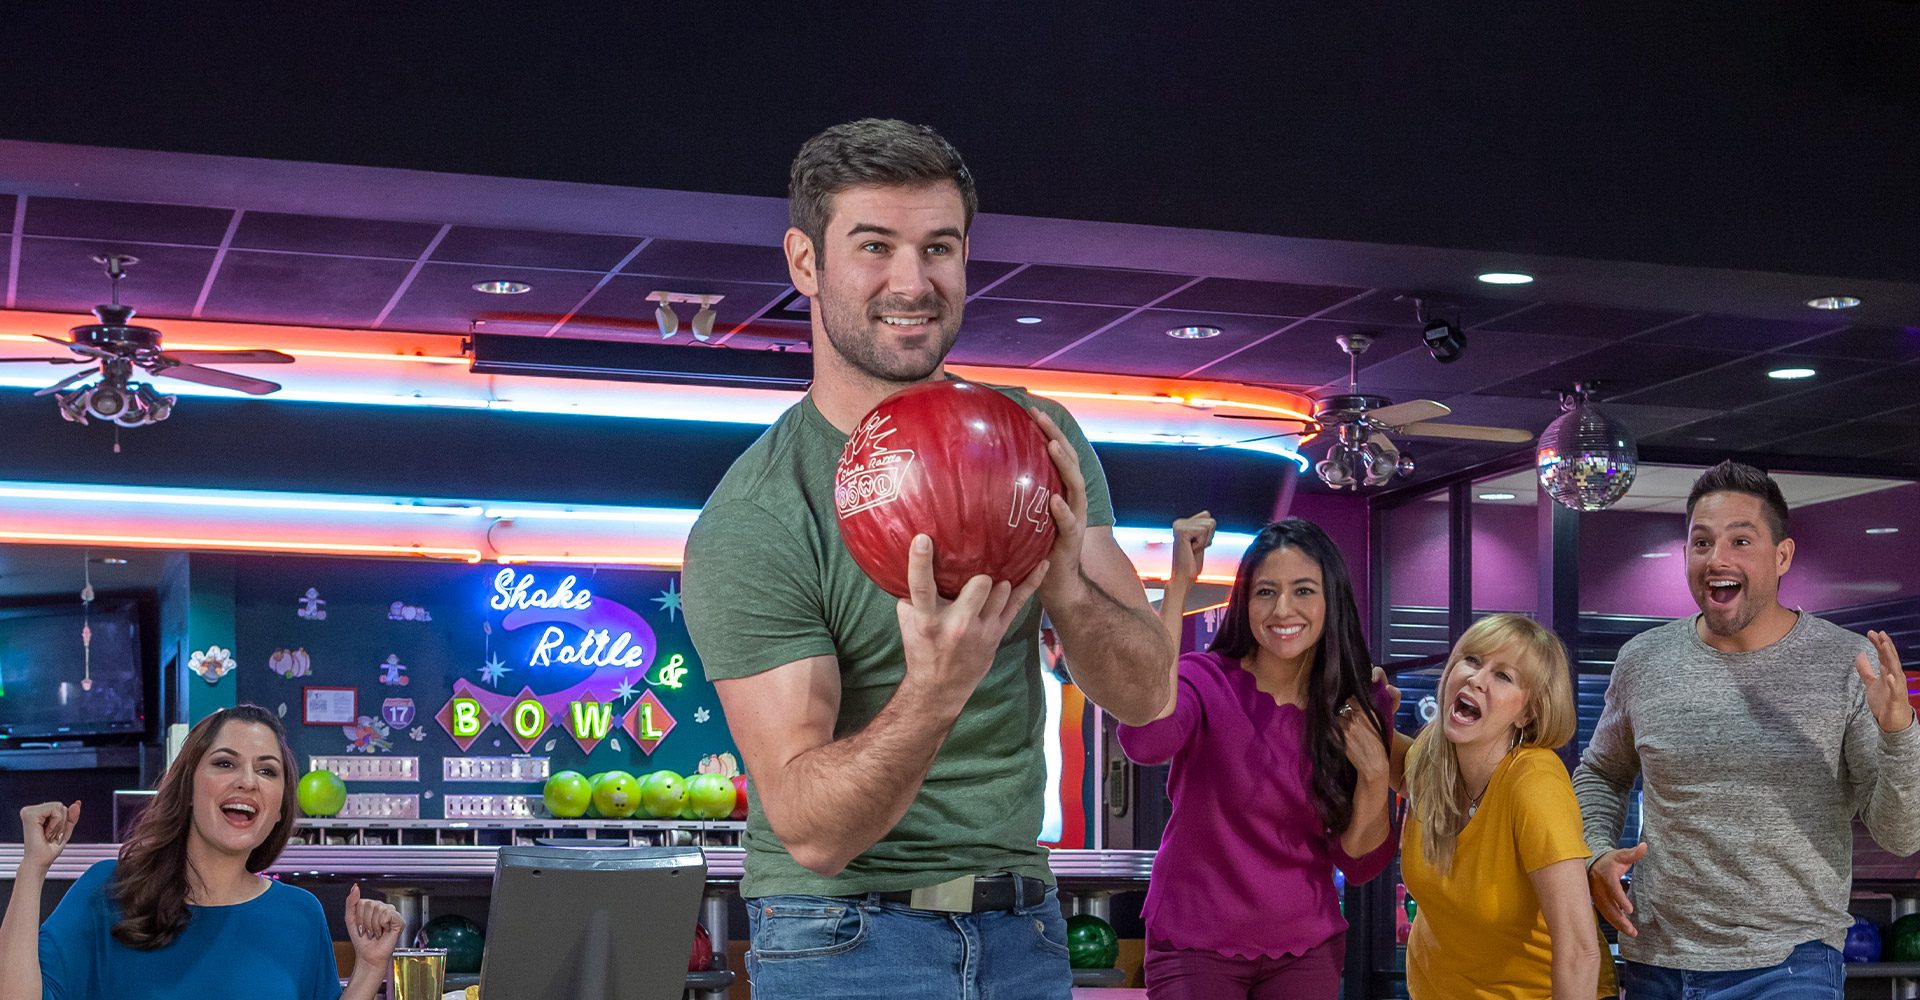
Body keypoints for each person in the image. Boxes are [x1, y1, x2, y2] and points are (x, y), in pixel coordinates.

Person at [680, 118, 1174, 1000]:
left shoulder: (1036, 441)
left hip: (1023, 924)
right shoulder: (757, 517)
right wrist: (937, 686)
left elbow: (1146, 694)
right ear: (805, 263)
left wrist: (1061, 578)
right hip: (841, 933)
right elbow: (811, 829)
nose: (913, 283)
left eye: (939, 247)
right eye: (875, 246)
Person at [1573, 460, 1920, 999]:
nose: (1718, 559)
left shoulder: (1845, 662)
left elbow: (1901, 836)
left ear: (1782, 556)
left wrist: (1899, 732)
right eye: (1702, 543)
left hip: (1789, 965)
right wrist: (1596, 853)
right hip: (1657, 959)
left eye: (1740, 540)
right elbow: (1600, 773)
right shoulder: (1643, 659)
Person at [1118, 515, 1396, 999]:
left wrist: (1375, 775)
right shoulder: (1205, 679)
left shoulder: (1359, 702)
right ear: (1245, 600)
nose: (1282, 609)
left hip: (1306, 949)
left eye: (1304, 590)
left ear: (1332, 600)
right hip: (1194, 942)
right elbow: (1147, 741)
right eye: (1266, 591)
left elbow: (1360, 862)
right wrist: (1179, 583)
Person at [1, 704, 404, 1000]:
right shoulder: (107, 889)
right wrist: (32, 867)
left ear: (280, 807)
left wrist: (369, 968)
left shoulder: (301, 913)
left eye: (267, 771)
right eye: (225, 763)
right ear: (189, 788)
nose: (248, 781)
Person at [1399, 613, 1609, 1000]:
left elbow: (1580, 951)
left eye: (1503, 676)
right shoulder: (1431, 763)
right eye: (1473, 660)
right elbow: (1381, 748)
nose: (1476, 679)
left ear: (1527, 712)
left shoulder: (1534, 784)